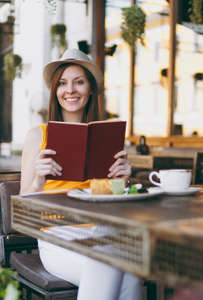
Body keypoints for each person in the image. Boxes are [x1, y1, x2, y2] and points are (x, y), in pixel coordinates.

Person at [20, 48, 142, 300]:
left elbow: (116, 205)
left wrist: (123, 182)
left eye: (79, 82)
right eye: (62, 83)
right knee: (114, 266)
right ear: (55, 91)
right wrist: (38, 180)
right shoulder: (37, 135)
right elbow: (21, 209)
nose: (70, 90)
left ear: (91, 89)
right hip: (57, 235)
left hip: (101, 232)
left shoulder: (108, 137)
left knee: (130, 268)